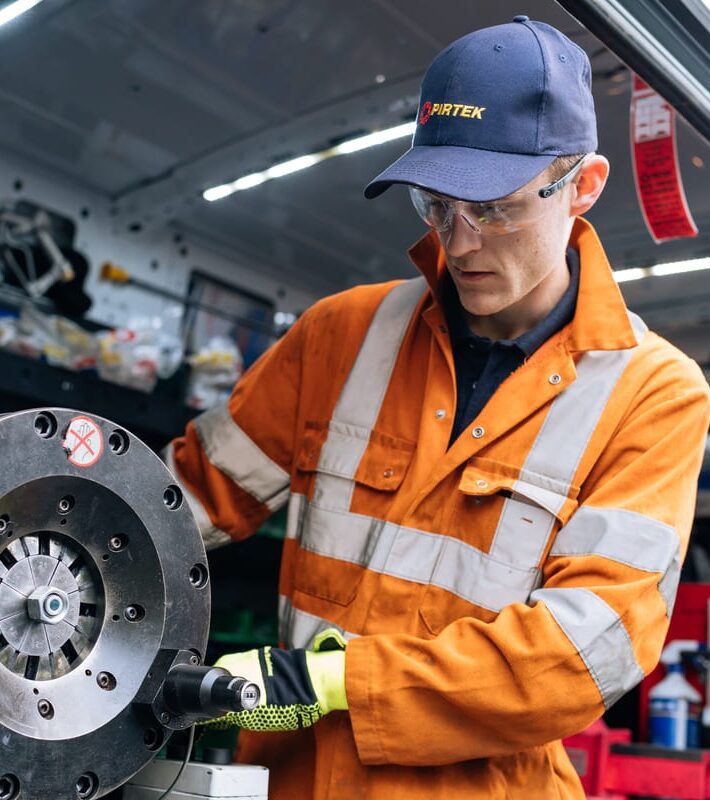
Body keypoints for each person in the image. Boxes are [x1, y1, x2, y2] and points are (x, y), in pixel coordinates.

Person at [165, 15, 710, 799]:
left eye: (494, 209)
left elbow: (580, 656)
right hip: (296, 784)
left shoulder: (653, 395)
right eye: (436, 203)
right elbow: (176, 505)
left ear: (583, 186)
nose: (459, 245)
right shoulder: (339, 334)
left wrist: (338, 681)